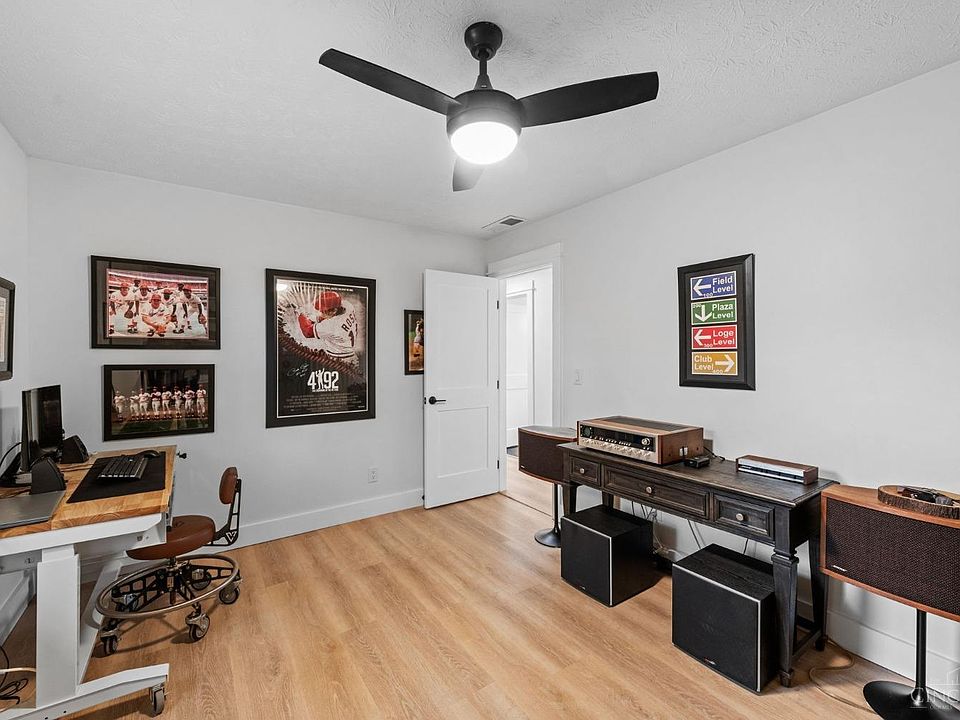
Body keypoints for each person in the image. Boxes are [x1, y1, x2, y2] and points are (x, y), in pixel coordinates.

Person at [297, 290, 359, 362]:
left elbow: (307, 332)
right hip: (351, 355)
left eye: (323, 311)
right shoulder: (348, 306)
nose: (321, 312)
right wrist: (311, 317)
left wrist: (301, 314)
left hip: (339, 360)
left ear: (334, 310)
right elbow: (328, 318)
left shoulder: (330, 326)